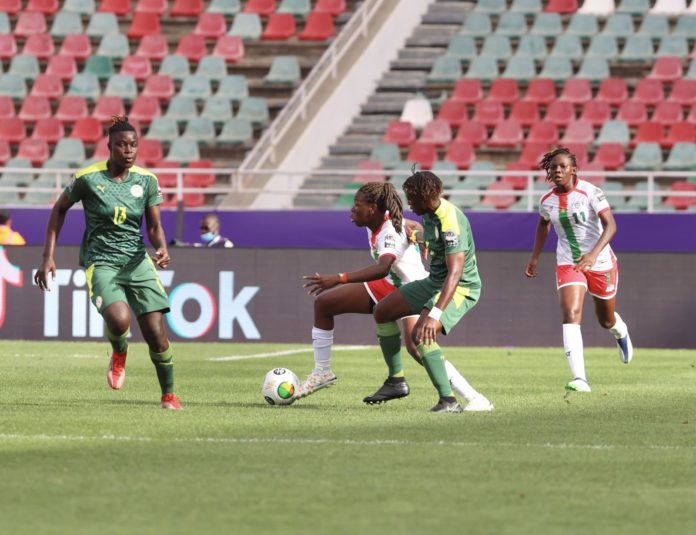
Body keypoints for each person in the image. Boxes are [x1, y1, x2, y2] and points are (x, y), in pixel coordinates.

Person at [297, 182, 491, 411]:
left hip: (409, 283)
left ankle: (470, 397)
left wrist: (338, 278)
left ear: (372, 208)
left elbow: (383, 266)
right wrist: (418, 234)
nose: (352, 210)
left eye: (356, 205)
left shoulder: (389, 231)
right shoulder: (380, 220)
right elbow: (413, 225)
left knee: (418, 346)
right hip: (392, 283)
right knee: (326, 304)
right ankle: (332, 373)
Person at [34, 116, 182, 410]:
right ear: (109, 147)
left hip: (137, 262)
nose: (128, 151)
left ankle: (168, 395)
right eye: (122, 145)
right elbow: (58, 210)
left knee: (157, 335)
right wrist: (48, 256)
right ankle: (119, 351)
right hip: (101, 261)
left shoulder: (147, 181)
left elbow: (153, 226)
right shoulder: (88, 178)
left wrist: (162, 247)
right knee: (119, 319)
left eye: (133, 145)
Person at [524, 147, 633, 393]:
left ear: (574, 169)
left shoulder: (591, 192)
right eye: (553, 167)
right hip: (568, 262)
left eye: (563, 166)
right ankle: (580, 379)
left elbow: (611, 226)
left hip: (600, 262)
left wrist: (593, 255)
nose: (557, 170)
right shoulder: (546, 201)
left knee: (606, 320)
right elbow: (543, 225)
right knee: (571, 313)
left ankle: (620, 330)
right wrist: (535, 257)